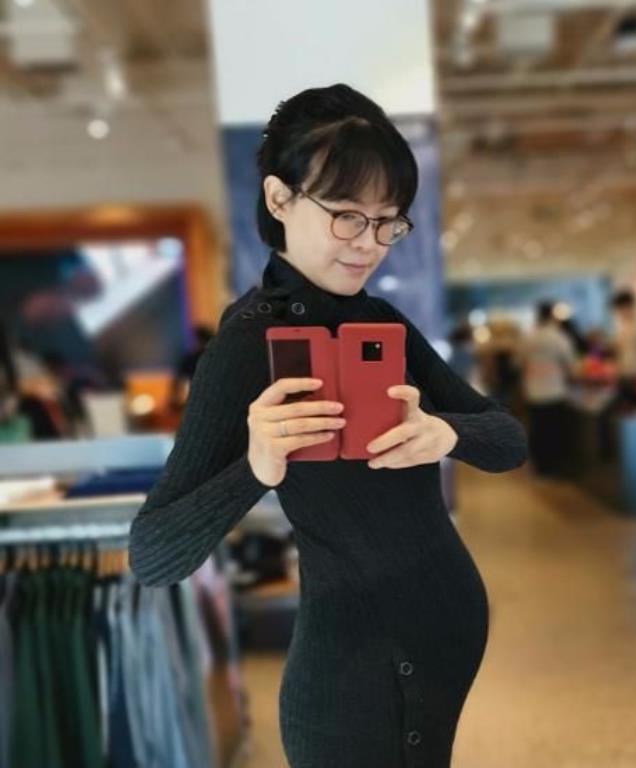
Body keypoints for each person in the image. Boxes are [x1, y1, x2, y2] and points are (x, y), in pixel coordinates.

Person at [128, 83, 527, 767]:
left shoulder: (381, 322)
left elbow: (509, 440)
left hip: (441, 634)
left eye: (387, 222)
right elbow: (153, 556)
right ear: (279, 198)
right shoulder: (247, 346)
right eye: (346, 216)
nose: (368, 245)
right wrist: (255, 468)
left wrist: (445, 433)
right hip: (352, 662)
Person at [518, 300, 578, 477]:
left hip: (533, 391)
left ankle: (539, 465)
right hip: (555, 390)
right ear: (552, 316)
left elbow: (518, 363)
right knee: (555, 430)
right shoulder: (558, 337)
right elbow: (571, 363)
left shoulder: (529, 338)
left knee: (537, 428)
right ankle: (553, 466)